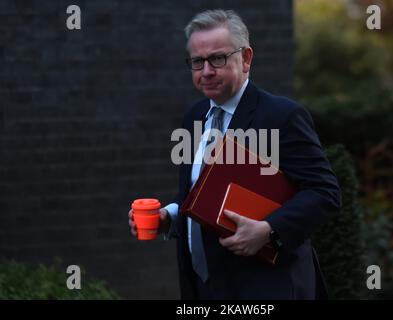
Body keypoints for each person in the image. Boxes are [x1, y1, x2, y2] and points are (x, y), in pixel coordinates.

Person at [128, 9, 341, 300]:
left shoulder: (282, 116)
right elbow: (199, 194)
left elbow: (324, 192)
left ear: (246, 59)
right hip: (203, 288)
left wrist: (269, 230)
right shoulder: (194, 118)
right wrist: (170, 216)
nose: (206, 71)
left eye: (218, 58)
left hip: (269, 287)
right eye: (198, 61)